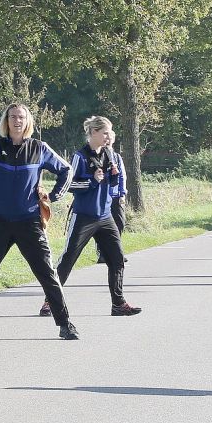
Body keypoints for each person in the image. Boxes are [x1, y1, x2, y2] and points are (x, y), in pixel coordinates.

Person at [0, 103, 80, 341]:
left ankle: (65, 323)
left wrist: (54, 195)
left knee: (47, 273)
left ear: (28, 122)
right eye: (12, 117)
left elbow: (66, 170)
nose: (17, 120)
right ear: (6, 121)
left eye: (21, 117)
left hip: (29, 221)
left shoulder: (39, 148)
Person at [41, 115, 141, 317]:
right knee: (68, 258)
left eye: (110, 132)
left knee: (117, 260)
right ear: (93, 133)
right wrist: (92, 181)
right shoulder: (80, 156)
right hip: (84, 216)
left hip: (105, 216)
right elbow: (71, 185)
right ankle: (50, 302)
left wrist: (113, 177)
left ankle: (118, 304)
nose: (108, 136)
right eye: (105, 132)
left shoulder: (109, 154)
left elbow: (112, 185)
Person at [96, 129, 127, 264]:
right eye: (105, 137)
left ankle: (115, 251)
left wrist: (122, 194)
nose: (107, 140)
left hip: (115, 196)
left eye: (110, 138)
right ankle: (103, 254)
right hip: (101, 197)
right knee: (101, 227)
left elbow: (122, 176)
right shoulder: (96, 158)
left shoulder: (117, 157)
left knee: (120, 222)